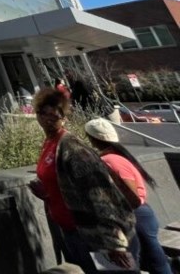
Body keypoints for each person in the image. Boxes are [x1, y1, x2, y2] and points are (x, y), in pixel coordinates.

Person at [28, 88, 135, 273]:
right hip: (71, 231)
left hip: (94, 235)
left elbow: (100, 191)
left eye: (54, 112)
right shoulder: (50, 144)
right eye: (42, 112)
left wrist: (114, 242)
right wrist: (47, 195)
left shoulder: (73, 149)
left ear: (63, 116)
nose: (48, 117)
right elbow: (66, 185)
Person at [85, 118, 172, 274]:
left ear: (91, 138)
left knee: (127, 265)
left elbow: (134, 198)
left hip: (130, 216)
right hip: (142, 215)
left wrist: (116, 214)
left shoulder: (108, 161)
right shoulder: (118, 157)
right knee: (154, 259)